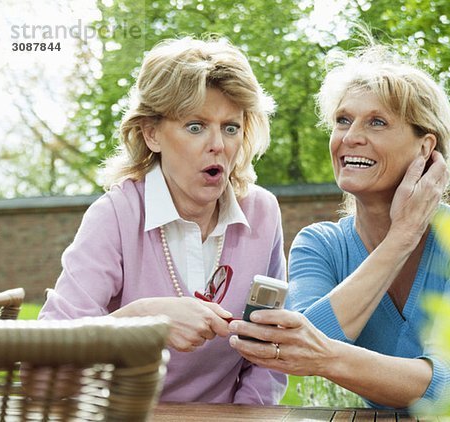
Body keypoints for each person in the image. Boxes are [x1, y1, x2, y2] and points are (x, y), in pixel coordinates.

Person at [228, 44, 450, 411]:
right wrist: (400, 239)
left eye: (377, 122)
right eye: (343, 120)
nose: (350, 137)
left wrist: (322, 354)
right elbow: (293, 348)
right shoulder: (321, 245)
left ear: (424, 147)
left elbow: (442, 387)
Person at [39, 36, 287, 404]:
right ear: (151, 133)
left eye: (231, 127)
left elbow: (269, 353)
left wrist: (245, 415)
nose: (218, 143)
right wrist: (143, 318)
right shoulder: (115, 215)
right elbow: (46, 358)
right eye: (195, 126)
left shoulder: (262, 213)